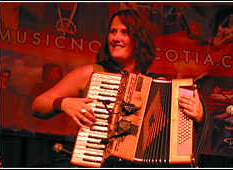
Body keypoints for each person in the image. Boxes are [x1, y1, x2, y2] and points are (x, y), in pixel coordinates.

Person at [32, 9, 208, 167]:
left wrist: (199, 117)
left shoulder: (159, 84)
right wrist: (62, 103)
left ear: (139, 38)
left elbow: (180, 145)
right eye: (112, 32)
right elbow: (38, 106)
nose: (116, 38)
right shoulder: (91, 73)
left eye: (125, 32)